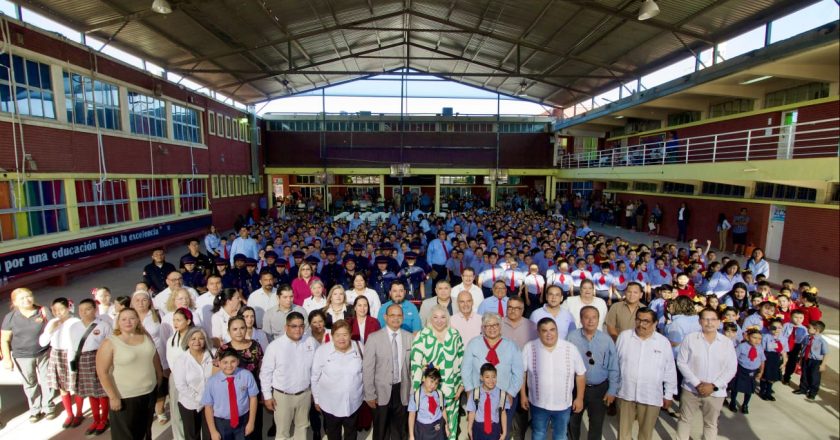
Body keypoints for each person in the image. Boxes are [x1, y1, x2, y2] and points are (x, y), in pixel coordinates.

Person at [96, 308, 163, 440]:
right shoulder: (110, 342)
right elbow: (102, 372)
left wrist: (159, 376)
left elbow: (153, 356)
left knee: (145, 432)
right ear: (118, 322)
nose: (128, 322)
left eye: (132, 318)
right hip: (125, 396)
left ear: (138, 320)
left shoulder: (145, 336)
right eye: (124, 319)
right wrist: (113, 397)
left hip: (148, 392)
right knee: (126, 436)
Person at [675, 308, 737, 440]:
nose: (709, 323)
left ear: (719, 322)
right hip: (690, 389)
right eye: (705, 319)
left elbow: (731, 369)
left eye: (713, 319)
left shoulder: (726, 343)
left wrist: (714, 385)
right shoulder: (690, 339)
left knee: (711, 424)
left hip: (715, 392)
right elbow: (681, 362)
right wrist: (697, 383)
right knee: (685, 420)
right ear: (699, 321)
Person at [615, 307, 677, 440]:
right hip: (626, 393)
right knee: (623, 434)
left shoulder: (663, 342)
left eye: (646, 321)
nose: (641, 324)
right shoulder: (624, 337)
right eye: (638, 320)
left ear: (654, 323)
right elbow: (615, 365)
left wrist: (669, 394)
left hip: (651, 395)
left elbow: (670, 370)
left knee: (645, 434)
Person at [521, 318, 586, 440]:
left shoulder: (570, 348)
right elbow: (522, 373)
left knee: (560, 435)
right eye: (544, 331)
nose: (549, 334)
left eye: (552, 330)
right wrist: (523, 396)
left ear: (557, 331)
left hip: (563, 404)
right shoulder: (529, 348)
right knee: (538, 434)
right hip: (538, 404)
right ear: (538, 332)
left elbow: (581, 374)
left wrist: (579, 398)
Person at [462, 313, 524, 438]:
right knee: (478, 432)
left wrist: (511, 393)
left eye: (495, 324)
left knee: (501, 432)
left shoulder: (511, 346)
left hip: (503, 396)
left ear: (500, 326)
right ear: (483, 328)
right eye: (487, 325)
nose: (492, 328)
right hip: (479, 397)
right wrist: (469, 391)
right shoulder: (473, 344)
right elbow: (465, 369)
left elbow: (518, 373)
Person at [260, 311, 318, 440]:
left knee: (302, 428)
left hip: (305, 394)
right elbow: (265, 373)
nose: (298, 329)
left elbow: (318, 367)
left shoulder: (311, 342)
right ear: (286, 327)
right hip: (282, 397)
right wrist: (267, 396)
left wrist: (315, 391)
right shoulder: (274, 346)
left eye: (301, 326)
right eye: (294, 326)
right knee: (282, 432)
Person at [1, 288, 56, 422]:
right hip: (22, 356)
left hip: (44, 353)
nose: (26, 300)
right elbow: (5, 339)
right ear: (15, 302)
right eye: (22, 298)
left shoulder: (42, 311)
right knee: (30, 383)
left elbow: (54, 329)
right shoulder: (10, 317)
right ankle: (35, 410)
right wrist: (7, 359)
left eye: (28, 296)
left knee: (47, 380)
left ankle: (48, 407)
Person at [410, 306, 465, 440]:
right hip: (429, 391)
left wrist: (461, 386)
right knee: (429, 428)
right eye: (435, 317)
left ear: (448, 318)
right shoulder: (422, 335)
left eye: (443, 317)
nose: (439, 320)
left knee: (450, 427)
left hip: (451, 390)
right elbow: (415, 364)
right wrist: (418, 390)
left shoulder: (454, 335)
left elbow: (462, 361)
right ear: (430, 318)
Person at [566, 306, 620, 440]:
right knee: (573, 423)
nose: (590, 321)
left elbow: (613, 366)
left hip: (599, 389)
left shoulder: (606, 340)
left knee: (596, 425)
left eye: (594, 317)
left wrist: (612, 390)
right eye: (587, 317)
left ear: (598, 319)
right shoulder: (572, 337)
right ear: (581, 319)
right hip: (576, 388)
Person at [363, 303, 416, 440]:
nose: (396, 318)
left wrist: (412, 392)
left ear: (403, 318)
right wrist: (369, 394)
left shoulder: (409, 337)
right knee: (381, 431)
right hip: (381, 392)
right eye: (392, 315)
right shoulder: (374, 338)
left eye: (399, 315)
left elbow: (412, 368)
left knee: (400, 429)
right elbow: (368, 368)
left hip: (402, 389)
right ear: (385, 317)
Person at [311, 320, 365, 440]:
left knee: (351, 433)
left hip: (353, 403)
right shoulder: (322, 351)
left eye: (345, 334)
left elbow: (365, 372)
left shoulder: (360, 347)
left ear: (350, 335)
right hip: (330, 405)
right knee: (333, 434)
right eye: (338, 335)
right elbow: (315, 377)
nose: (342, 338)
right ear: (332, 336)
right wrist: (316, 399)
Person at [216, 316, 265, 439]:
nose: (239, 332)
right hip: (231, 396)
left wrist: (264, 392)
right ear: (229, 331)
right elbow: (215, 376)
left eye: (242, 328)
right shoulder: (223, 349)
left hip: (253, 393)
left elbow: (262, 370)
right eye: (235, 329)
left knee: (254, 427)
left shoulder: (255, 346)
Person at [40, 298, 84, 429]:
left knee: (75, 385)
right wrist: (50, 330)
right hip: (56, 354)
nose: (58, 312)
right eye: (54, 310)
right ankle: (69, 414)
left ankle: (79, 413)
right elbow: (42, 342)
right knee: (62, 387)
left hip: (71, 354)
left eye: (61, 309)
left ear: (67, 308)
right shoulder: (52, 322)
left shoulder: (75, 322)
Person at [72, 298, 114, 435]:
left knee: (102, 390)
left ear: (95, 309)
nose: (84, 312)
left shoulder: (103, 325)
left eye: (88, 309)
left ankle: (104, 419)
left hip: (99, 356)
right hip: (83, 359)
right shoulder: (74, 327)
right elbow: (73, 347)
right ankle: (95, 419)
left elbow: (110, 343)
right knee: (91, 392)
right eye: (81, 310)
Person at [202, 348, 259, 440]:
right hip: (221, 422)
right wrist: (213, 431)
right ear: (219, 363)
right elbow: (208, 407)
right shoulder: (212, 382)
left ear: (238, 361)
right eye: (225, 362)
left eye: (233, 361)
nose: (229, 365)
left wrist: (251, 422)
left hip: (243, 420)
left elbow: (253, 398)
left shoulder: (246, 375)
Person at [173, 327, 214, 440]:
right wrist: (200, 398)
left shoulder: (213, 355)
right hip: (189, 403)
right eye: (193, 338)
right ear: (187, 341)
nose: (197, 342)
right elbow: (181, 385)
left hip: (210, 404)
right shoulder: (181, 360)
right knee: (192, 436)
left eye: (201, 338)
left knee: (210, 434)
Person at [164, 307, 195, 440]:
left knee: (194, 410)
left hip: (194, 378)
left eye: (179, 320)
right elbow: (170, 360)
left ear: (188, 321)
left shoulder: (196, 337)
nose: (175, 323)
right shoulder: (171, 340)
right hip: (176, 378)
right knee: (177, 412)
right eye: (174, 320)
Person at [466, 363, 510, 440]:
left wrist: (504, 433)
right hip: (478, 428)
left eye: (494, 377)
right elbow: (472, 412)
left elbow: (503, 413)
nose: (491, 380)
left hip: (494, 428)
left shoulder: (502, 394)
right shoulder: (475, 393)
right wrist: (469, 428)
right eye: (487, 377)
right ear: (481, 377)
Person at [408, 366, 450, 440]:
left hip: (438, 427)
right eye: (431, 381)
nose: (433, 385)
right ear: (424, 378)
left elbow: (443, 410)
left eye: (436, 383)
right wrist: (411, 435)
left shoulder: (439, 394)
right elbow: (412, 416)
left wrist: (446, 426)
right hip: (423, 429)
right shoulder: (416, 396)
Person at [728, 327, 764, 414]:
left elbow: (762, 360)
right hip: (741, 369)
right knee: (735, 387)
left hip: (753, 371)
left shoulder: (760, 348)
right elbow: (734, 358)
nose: (757, 340)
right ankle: (732, 402)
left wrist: (761, 371)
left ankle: (745, 404)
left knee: (749, 389)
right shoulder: (741, 346)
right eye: (754, 337)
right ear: (747, 337)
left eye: (759, 339)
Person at [794, 320, 829, 400]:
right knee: (804, 375)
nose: (807, 329)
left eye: (809, 328)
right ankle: (803, 389)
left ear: (816, 330)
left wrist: (823, 364)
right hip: (806, 359)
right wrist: (801, 357)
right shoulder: (807, 337)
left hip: (816, 362)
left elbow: (826, 353)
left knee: (814, 377)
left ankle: (813, 392)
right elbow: (803, 347)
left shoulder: (822, 342)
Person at [758, 318, 786, 401]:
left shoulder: (783, 338)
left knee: (772, 377)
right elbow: (761, 349)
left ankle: (768, 392)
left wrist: (784, 362)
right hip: (767, 356)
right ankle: (762, 391)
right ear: (769, 327)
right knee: (765, 375)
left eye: (779, 327)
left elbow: (784, 351)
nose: (777, 330)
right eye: (774, 327)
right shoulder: (766, 336)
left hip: (776, 357)